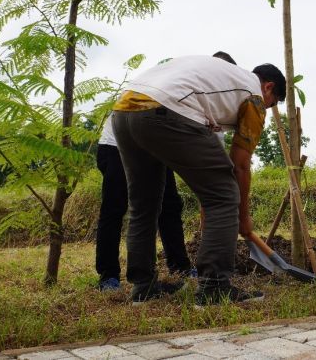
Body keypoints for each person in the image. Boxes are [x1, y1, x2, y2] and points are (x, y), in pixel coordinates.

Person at [112, 55, 285, 305]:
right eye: (273, 103)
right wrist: (243, 217)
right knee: (224, 195)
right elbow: (240, 165)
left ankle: (143, 286)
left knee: (143, 204)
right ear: (268, 87)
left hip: (124, 111)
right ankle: (214, 287)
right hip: (167, 109)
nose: (267, 109)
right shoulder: (254, 95)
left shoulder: (220, 79)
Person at [95, 114, 192, 291]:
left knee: (169, 206)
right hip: (116, 145)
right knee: (114, 209)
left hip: (155, 147)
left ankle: (180, 266)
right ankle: (108, 276)